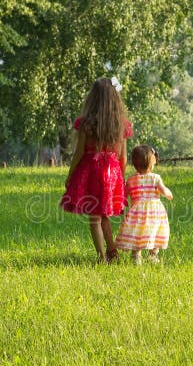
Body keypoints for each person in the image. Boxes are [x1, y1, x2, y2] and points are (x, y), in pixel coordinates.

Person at [61, 77, 133, 263]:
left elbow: (79, 153)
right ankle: (112, 251)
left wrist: (71, 174)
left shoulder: (85, 123)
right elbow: (123, 156)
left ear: (93, 98)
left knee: (95, 217)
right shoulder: (121, 125)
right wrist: (120, 178)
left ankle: (102, 256)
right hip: (112, 172)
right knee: (104, 214)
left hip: (91, 172)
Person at [115, 144, 173, 264]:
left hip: (137, 212)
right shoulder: (155, 178)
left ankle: (136, 255)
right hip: (154, 213)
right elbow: (162, 189)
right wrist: (168, 193)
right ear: (152, 162)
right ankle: (153, 255)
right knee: (155, 231)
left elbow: (124, 194)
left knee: (138, 232)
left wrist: (121, 203)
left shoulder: (131, 180)